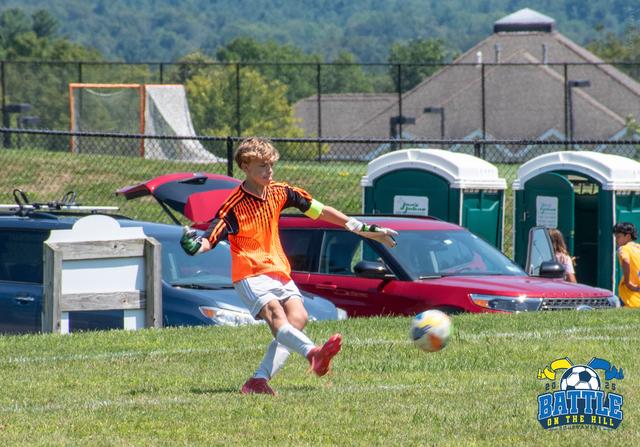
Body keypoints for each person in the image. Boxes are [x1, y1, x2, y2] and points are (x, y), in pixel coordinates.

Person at [180, 137, 398, 395]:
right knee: (276, 315)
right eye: (262, 165)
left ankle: (257, 381)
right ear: (245, 167)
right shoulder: (234, 206)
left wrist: (362, 228)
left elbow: (320, 210)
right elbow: (211, 237)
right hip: (250, 273)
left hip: (278, 269)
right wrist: (197, 246)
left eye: (271, 164)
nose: (269, 170)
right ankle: (313, 354)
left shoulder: (281, 192)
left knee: (298, 318)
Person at [613, 222, 640, 307]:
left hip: (629, 291)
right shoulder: (638, 247)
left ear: (628, 236)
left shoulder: (623, 249)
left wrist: (628, 283)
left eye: (618, 237)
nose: (616, 240)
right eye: (615, 237)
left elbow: (625, 260)